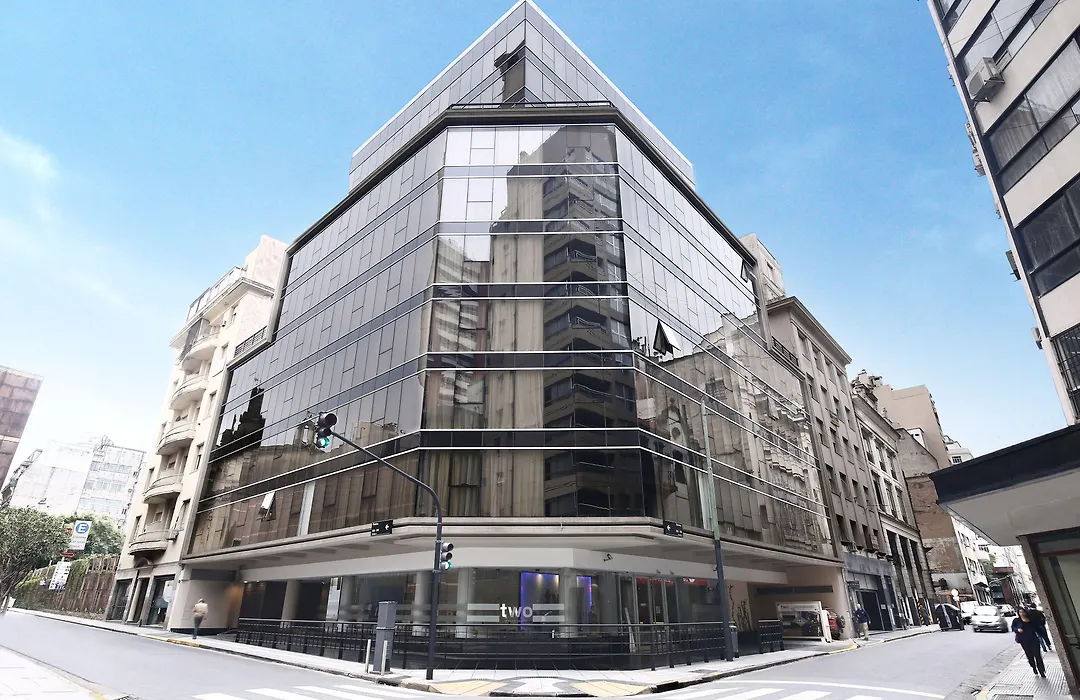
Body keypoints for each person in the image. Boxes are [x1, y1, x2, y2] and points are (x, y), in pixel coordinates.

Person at [1012, 608, 1047, 678]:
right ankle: (1033, 666)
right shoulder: (1016, 620)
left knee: (1038, 655)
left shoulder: (1031, 620)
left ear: (1026, 612)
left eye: (1023, 612)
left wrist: (1044, 637)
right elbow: (1013, 627)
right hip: (1024, 641)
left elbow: (1038, 628)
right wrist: (1017, 629)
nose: (1022, 614)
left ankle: (1041, 671)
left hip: (1034, 640)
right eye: (1020, 612)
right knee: (1030, 656)